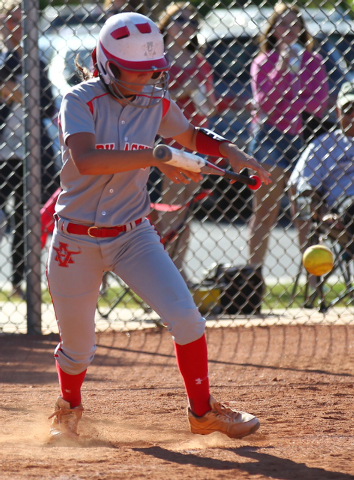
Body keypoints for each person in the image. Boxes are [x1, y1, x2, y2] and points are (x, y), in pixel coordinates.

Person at [46, 12, 271, 442]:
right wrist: (155, 155)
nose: (145, 77)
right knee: (77, 350)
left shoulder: (155, 101)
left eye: (152, 69)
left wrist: (229, 151)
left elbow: (190, 135)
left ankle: (203, 413)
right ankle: (69, 411)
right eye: (135, 70)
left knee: (188, 320)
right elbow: (87, 160)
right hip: (75, 238)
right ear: (107, 65)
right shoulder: (79, 100)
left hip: (133, 234)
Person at [248, 3, 329, 281]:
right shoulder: (263, 62)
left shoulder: (313, 61)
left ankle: (312, 277)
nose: (289, 30)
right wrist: (281, 71)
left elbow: (319, 105)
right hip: (270, 136)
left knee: (303, 210)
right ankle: (253, 279)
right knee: (266, 211)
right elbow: (266, 104)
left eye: (295, 24)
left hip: (303, 137)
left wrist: (290, 102)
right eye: (283, 24)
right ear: (273, 30)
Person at [150, 3, 217, 284]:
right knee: (169, 207)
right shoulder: (157, 60)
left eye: (191, 22)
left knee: (185, 209)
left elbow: (209, 108)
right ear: (166, 24)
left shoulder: (199, 63)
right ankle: (164, 271)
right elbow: (149, 103)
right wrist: (182, 90)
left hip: (193, 143)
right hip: (164, 144)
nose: (186, 25)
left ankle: (176, 267)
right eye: (179, 19)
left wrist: (195, 91)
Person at [0, 0, 59, 298]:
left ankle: (18, 282)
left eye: (21, 19)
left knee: (26, 217)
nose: (16, 25)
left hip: (28, 154)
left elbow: (47, 104)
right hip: (1, 151)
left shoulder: (35, 60)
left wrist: (18, 92)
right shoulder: (3, 59)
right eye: (10, 19)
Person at [289, 81, 354, 250]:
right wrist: (322, 214)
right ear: (337, 112)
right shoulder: (324, 145)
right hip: (343, 208)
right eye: (348, 109)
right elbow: (300, 185)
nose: (353, 115)